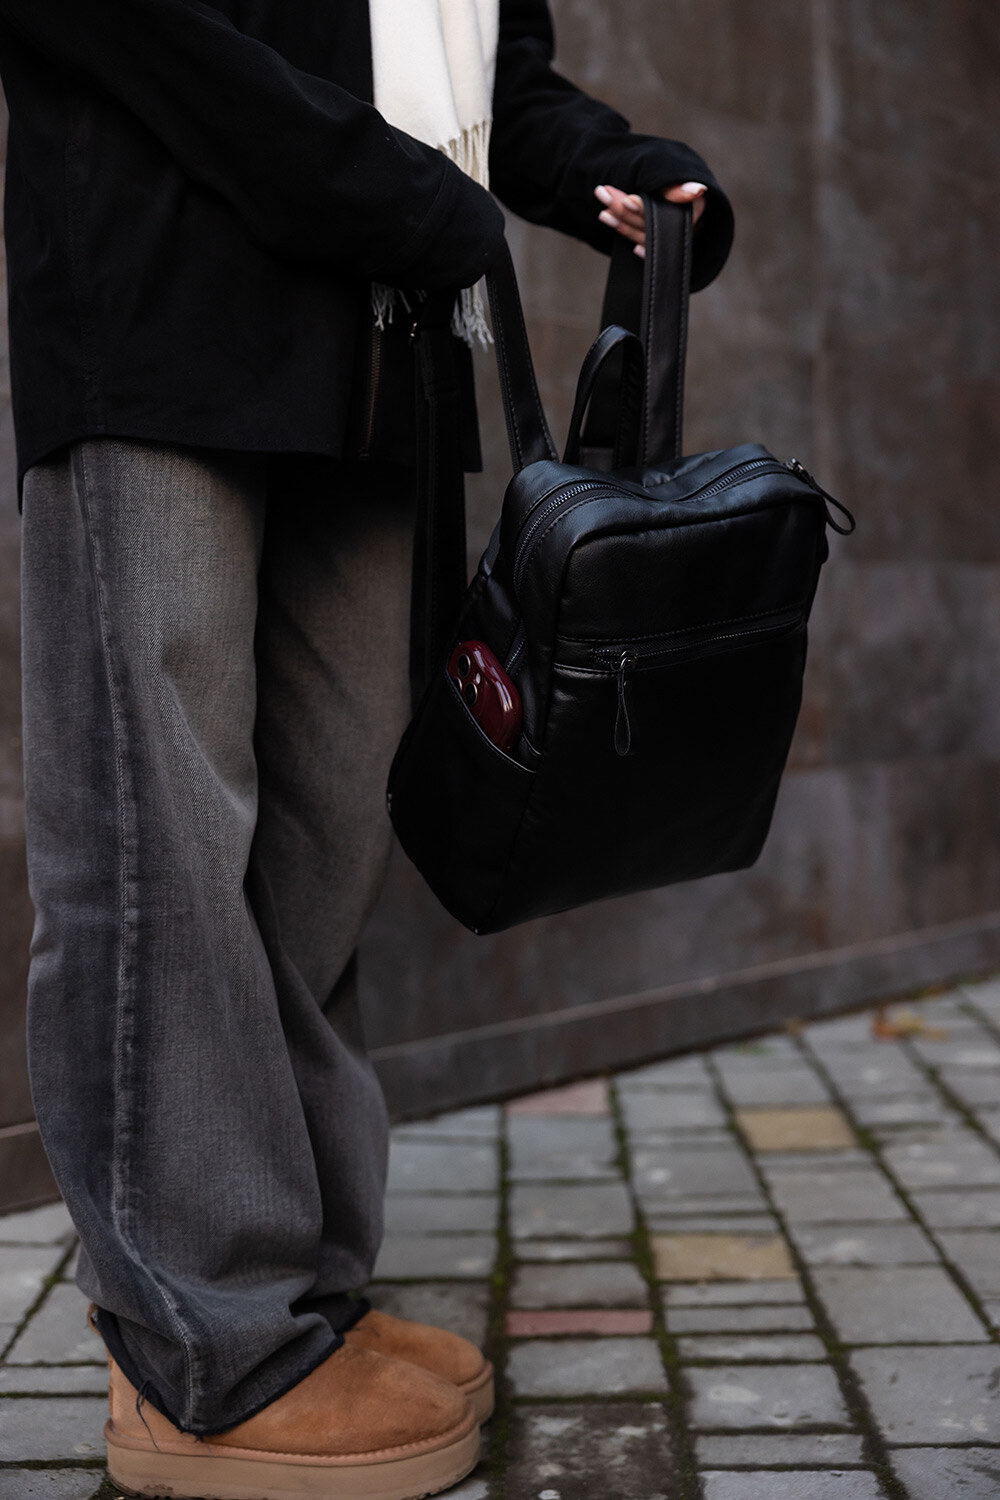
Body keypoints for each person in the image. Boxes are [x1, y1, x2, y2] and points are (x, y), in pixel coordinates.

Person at [1, 0, 733, 1494]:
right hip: (166, 296)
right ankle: (203, 1353)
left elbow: (481, 64)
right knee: (159, 840)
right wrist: (369, 181)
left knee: (326, 835)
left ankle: (304, 1301)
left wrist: (605, 165)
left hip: (393, 352)